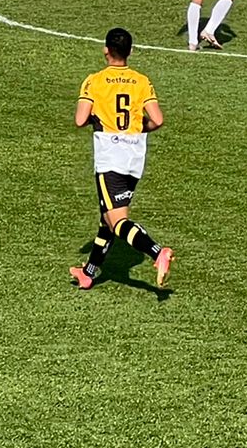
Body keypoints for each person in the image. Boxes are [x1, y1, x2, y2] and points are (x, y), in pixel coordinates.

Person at [71, 27, 173, 290]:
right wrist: (139, 129)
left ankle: (156, 251)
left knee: (117, 221)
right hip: (134, 155)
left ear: (106, 50)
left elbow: (80, 120)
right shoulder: (141, 80)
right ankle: (89, 272)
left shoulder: (94, 81)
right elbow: (158, 120)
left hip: (110, 155)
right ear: (130, 51)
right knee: (108, 216)